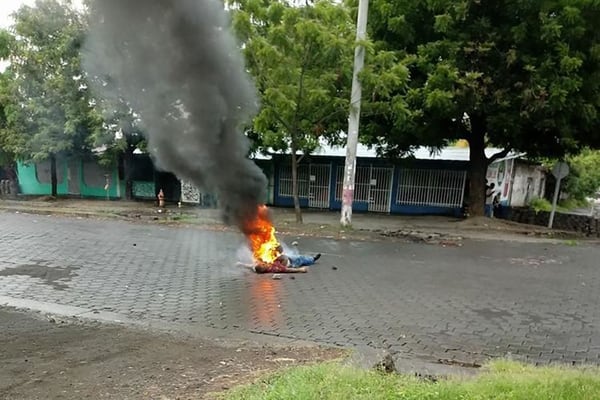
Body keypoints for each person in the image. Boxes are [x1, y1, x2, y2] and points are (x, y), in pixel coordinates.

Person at [237, 260, 308, 274]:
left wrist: (241, 264)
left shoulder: (257, 268)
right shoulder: (274, 269)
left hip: (281, 258)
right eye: (263, 265)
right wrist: (300, 270)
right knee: (302, 259)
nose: (264, 263)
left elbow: (251, 266)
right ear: (264, 269)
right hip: (291, 262)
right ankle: (312, 259)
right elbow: (287, 270)